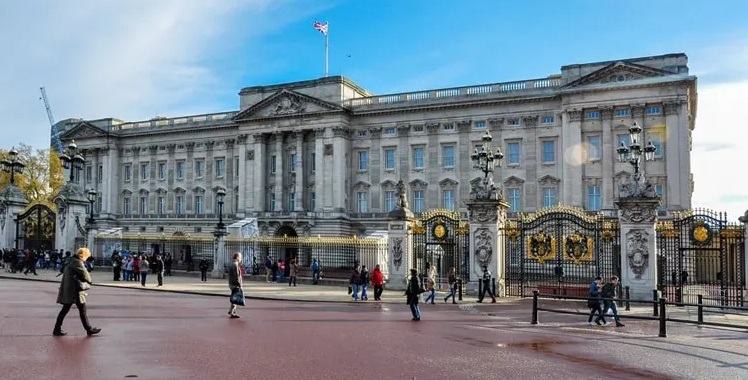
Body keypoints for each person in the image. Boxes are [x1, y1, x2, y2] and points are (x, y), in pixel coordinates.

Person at [53, 247, 101, 336]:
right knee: (82, 310)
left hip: (70, 289)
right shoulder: (77, 262)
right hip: (76, 290)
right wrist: (90, 281)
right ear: (82, 255)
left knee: (65, 310)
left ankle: (57, 328)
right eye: (86, 256)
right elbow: (85, 274)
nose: (86, 258)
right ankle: (88, 329)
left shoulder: (71, 260)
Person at [228, 252, 243, 319]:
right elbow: (236, 276)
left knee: (234, 297)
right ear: (237, 258)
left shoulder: (232, 264)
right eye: (240, 257)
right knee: (235, 298)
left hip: (231, 284)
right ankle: (232, 313)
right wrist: (239, 285)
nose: (241, 259)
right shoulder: (235, 265)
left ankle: (231, 311)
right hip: (235, 284)